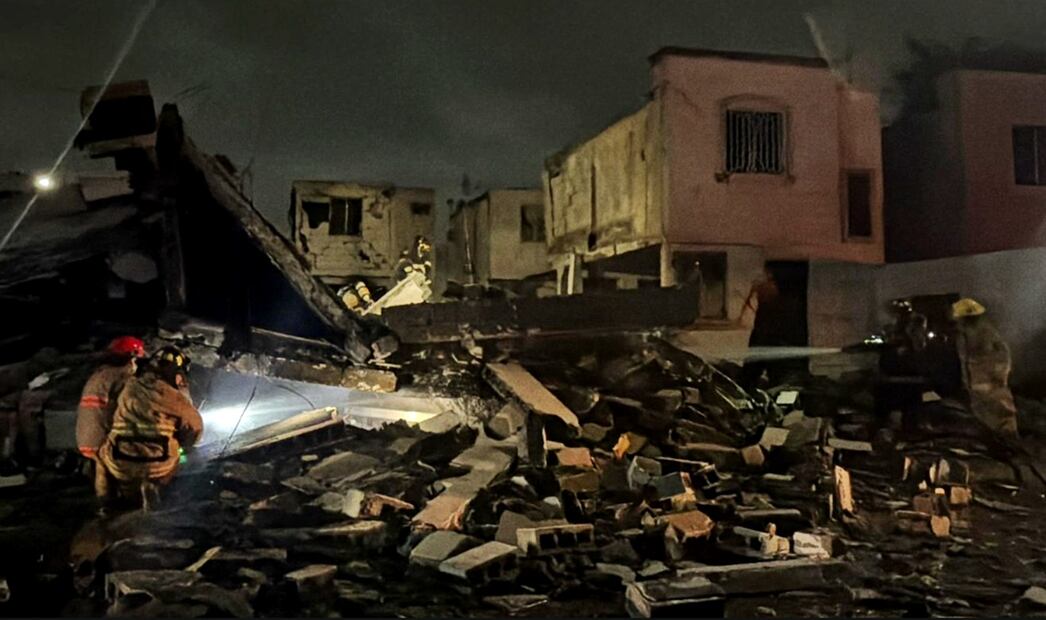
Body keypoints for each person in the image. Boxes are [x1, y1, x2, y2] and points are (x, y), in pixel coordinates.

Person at [97, 346, 203, 512]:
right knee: (180, 454)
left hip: (120, 461)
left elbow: (108, 417)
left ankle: (106, 502)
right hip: (159, 465)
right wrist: (183, 445)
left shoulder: (129, 386)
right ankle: (159, 489)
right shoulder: (174, 397)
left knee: (102, 454)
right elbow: (195, 430)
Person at [76, 336, 147, 505]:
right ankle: (128, 504)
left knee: (102, 466)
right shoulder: (123, 376)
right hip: (102, 437)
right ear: (132, 358)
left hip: (86, 437)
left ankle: (105, 506)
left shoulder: (100, 374)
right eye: (137, 359)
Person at [952, 298, 1019, 438]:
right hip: (978, 387)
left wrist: (1001, 377)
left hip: (992, 385)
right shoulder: (964, 337)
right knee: (986, 423)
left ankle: (1011, 449)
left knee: (1002, 421)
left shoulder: (987, 333)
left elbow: (1003, 356)